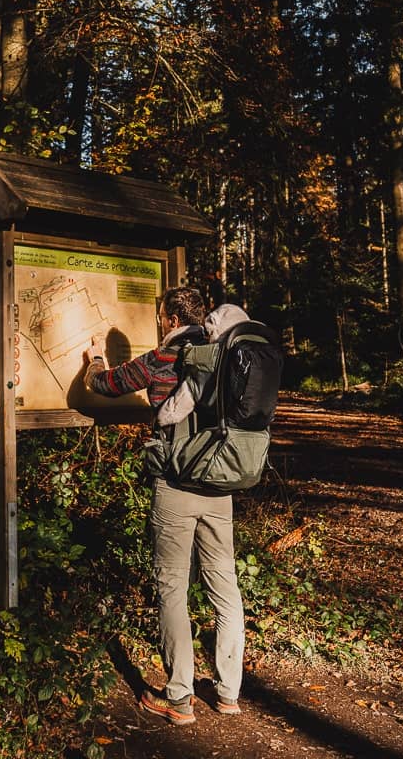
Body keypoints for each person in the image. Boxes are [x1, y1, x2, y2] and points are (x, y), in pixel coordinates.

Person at [84, 287, 245, 726]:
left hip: (176, 484)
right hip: (220, 482)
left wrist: (95, 358)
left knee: (173, 589)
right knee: (224, 585)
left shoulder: (161, 359)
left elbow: (105, 384)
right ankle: (229, 693)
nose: (159, 322)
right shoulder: (225, 354)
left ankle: (180, 699)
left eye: (161, 316)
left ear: (172, 318)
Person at [155, 303, 250, 429]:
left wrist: (159, 420)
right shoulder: (253, 360)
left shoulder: (206, 365)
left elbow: (172, 412)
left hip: (225, 436)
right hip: (260, 439)